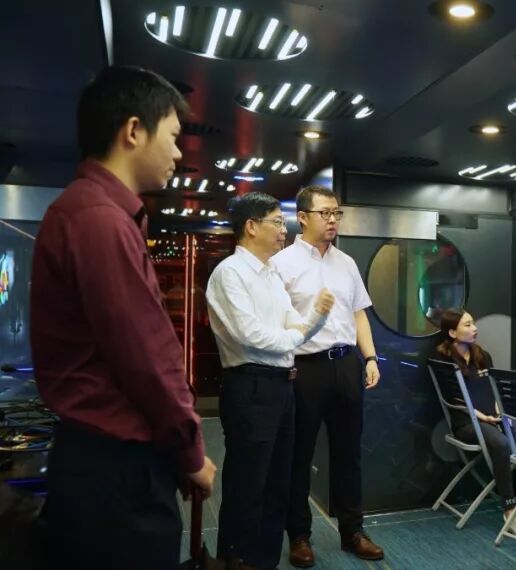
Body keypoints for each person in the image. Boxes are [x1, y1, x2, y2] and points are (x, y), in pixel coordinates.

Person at [29, 65, 215, 569]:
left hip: (103, 462)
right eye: (173, 137)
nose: (179, 154)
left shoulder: (93, 211)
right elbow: (147, 358)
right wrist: (191, 453)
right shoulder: (99, 219)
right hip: (115, 469)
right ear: (134, 130)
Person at [206, 192, 335, 569]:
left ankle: (263, 561)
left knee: (278, 482)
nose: (284, 229)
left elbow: (295, 326)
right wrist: (300, 332)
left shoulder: (271, 274)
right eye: (277, 221)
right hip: (250, 385)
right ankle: (237, 560)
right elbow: (251, 336)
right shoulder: (230, 273)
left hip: (282, 386)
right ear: (251, 226)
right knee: (247, 484)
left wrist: (316, 318)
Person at [272, 186, 384, 566]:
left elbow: (358, 313)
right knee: (299, 456)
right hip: (305, 368)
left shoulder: (347, 263)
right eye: (325, 213)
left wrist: (370, 357)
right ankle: (299, 535)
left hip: (347, 364)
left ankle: (353, 532)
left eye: (337, 213)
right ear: (303, 217)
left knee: (349, 454)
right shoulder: (282, 264)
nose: (333, 220)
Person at [437, 308, 516, 539]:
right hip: (466, 422)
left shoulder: (482, 356)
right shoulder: (443, 360)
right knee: (501, 444)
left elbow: (493, 390)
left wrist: (499, 413)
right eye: (467, 325)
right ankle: (509, 509)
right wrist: (483, 417)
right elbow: (455, 400)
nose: (474, 328)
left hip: (493, 415)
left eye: (473, 323)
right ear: (452, 332)